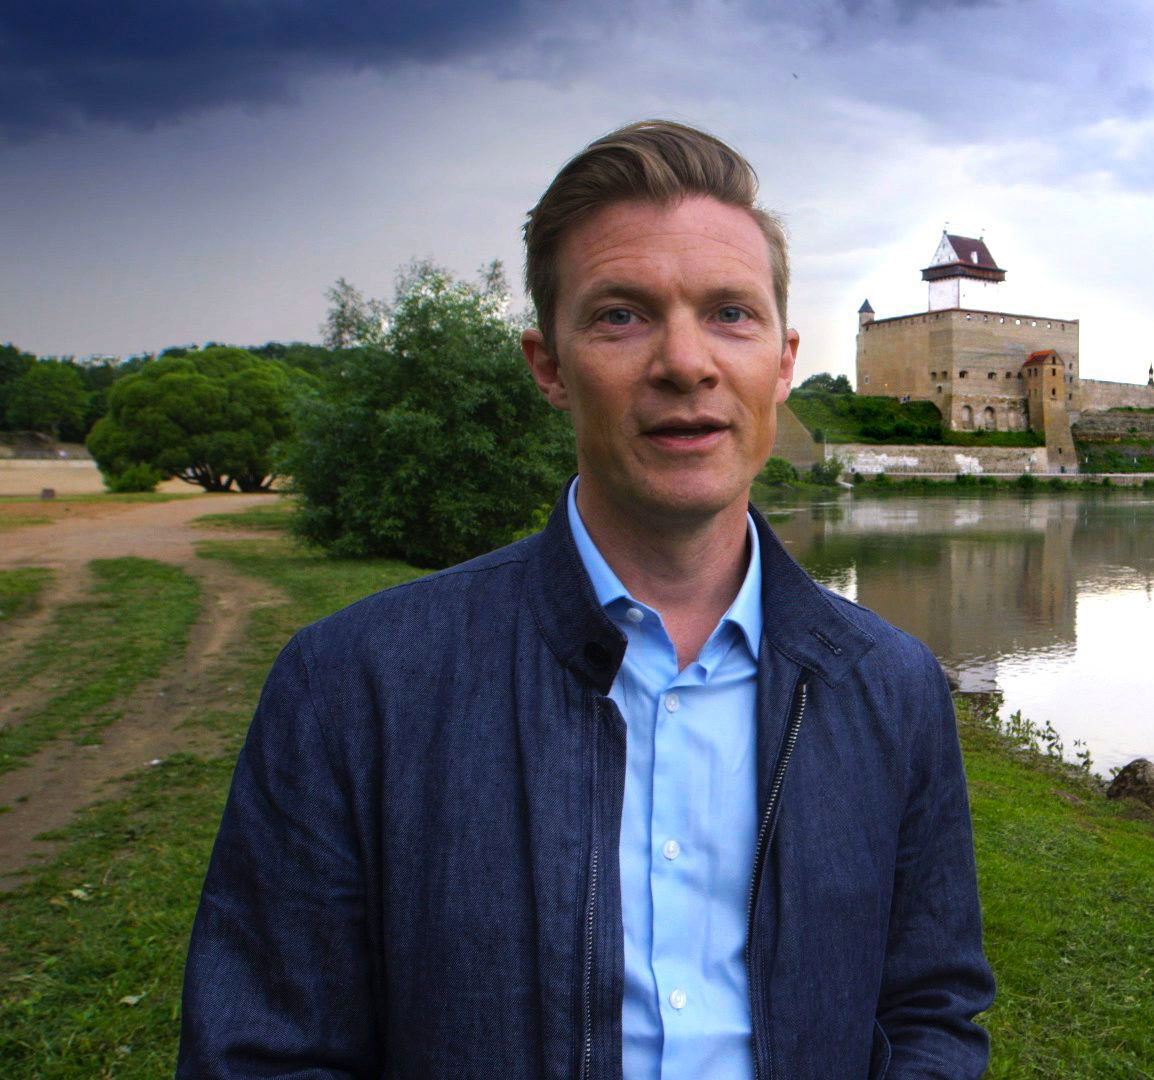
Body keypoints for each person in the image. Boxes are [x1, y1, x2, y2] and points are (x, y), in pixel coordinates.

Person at [179, 121, 994, 1078]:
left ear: (782, 362)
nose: (685, 362)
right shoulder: (352, 687)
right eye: (621, 316)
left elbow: (931, 1012)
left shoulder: (892, 686)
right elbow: (263, 1056)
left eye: (730, 313)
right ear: (549, 366)